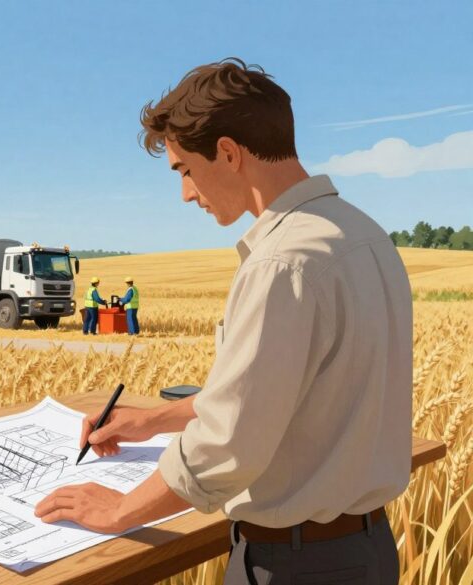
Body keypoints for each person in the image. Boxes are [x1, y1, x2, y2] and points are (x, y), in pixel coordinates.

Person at [34, 58, 411, 585]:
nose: (186, 193)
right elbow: (278, 398)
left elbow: (229, 443)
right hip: (365, 551)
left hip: (296, 565)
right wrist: (151, 421)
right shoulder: (366, 236)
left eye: (185, 169)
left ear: (229, 153)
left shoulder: (282, 263)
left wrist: (118, 511)